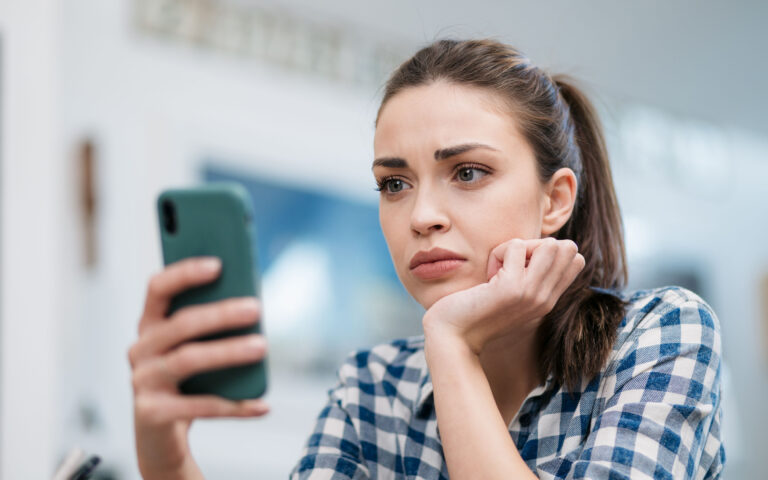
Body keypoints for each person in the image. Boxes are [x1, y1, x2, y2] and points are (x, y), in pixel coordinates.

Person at [128, 38, 725, 479]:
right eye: (394, 184)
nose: (421, 216)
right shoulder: (373, 386)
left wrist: (452, 344)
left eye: (467, 172)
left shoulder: (662, 334)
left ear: (555, 201)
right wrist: (166, 455)